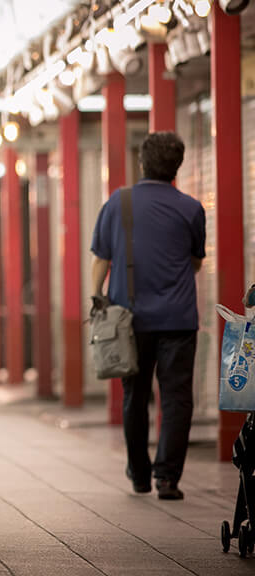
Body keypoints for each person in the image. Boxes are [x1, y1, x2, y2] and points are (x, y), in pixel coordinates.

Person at [90, 131, 204, 501]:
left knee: (135, 396)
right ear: (177, 168)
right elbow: (196, 262)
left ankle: (139, 473)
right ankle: (167, 478)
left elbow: (101, 260)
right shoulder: (191, 208)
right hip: (179, 319)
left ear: (141, 163)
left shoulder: (118, 203)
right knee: (176, 398)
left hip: (129, 318)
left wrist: (97, 298)